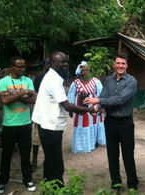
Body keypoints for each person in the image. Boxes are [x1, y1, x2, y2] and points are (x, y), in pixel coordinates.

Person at [32, 51, 97, 187]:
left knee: (50, 159)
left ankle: (48, 185)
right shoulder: (54, 80)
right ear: (52, 63)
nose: (65, 64)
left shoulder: (52, 77)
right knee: (55, 161)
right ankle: (57, 188)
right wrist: (89, 110)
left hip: (47, 125)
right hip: (50, 127)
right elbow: (67, 106)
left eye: (65, 61)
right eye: (61, 62)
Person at [84, 52, 139, 193]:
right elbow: (104, 97)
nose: (120, 66)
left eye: (123, 63)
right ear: (114, 64)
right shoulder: (108, 80)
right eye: (118, 63)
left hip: (126, 123)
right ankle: (116, 184)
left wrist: (97, 101)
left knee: (128, 155)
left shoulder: (131, 81)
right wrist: (96, 108)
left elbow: (120, 99)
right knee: (112, 155)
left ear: (127, 65)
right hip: (110, 122)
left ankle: (132, 184)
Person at [0, 56, 37, 194]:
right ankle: (2, 181)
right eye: (19, 66)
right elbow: (5, 100)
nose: (22, 69)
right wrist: (22, 93)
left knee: (25, 155)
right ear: (12, 67)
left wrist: (15, 96)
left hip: (25, 124)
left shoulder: (27, 80)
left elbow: (33, 99)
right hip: (9, 125)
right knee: (6, 154)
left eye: (23, 66)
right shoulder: (4, 81)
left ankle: (28, 180)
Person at [31, 58, 50, 172]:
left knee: (49, 138)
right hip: (41, 112)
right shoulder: (39, 78)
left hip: (51, 113)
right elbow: (35, 96)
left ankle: (47, 159)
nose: (48, 66)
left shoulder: (57, 78)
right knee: (36, 138)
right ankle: (34, 161)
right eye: (47, 63)